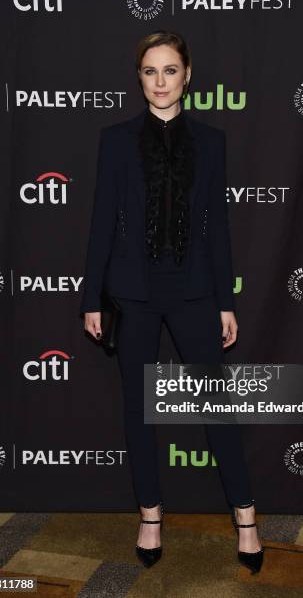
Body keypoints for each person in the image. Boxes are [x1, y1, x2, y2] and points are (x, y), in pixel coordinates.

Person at [79, 29, 264, 574]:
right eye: (149, 71)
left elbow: (219, 228)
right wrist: (92, 295)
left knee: (216, 407)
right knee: (140, 411)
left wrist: (225, 299)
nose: (160, 81)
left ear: (188, 76)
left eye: (170, 70)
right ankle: (151, 515)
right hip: (132, 294)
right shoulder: (114, 140)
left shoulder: (212, 142)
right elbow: (99, 225)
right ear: (139, 78)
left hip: (194, 291)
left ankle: (247, 517)